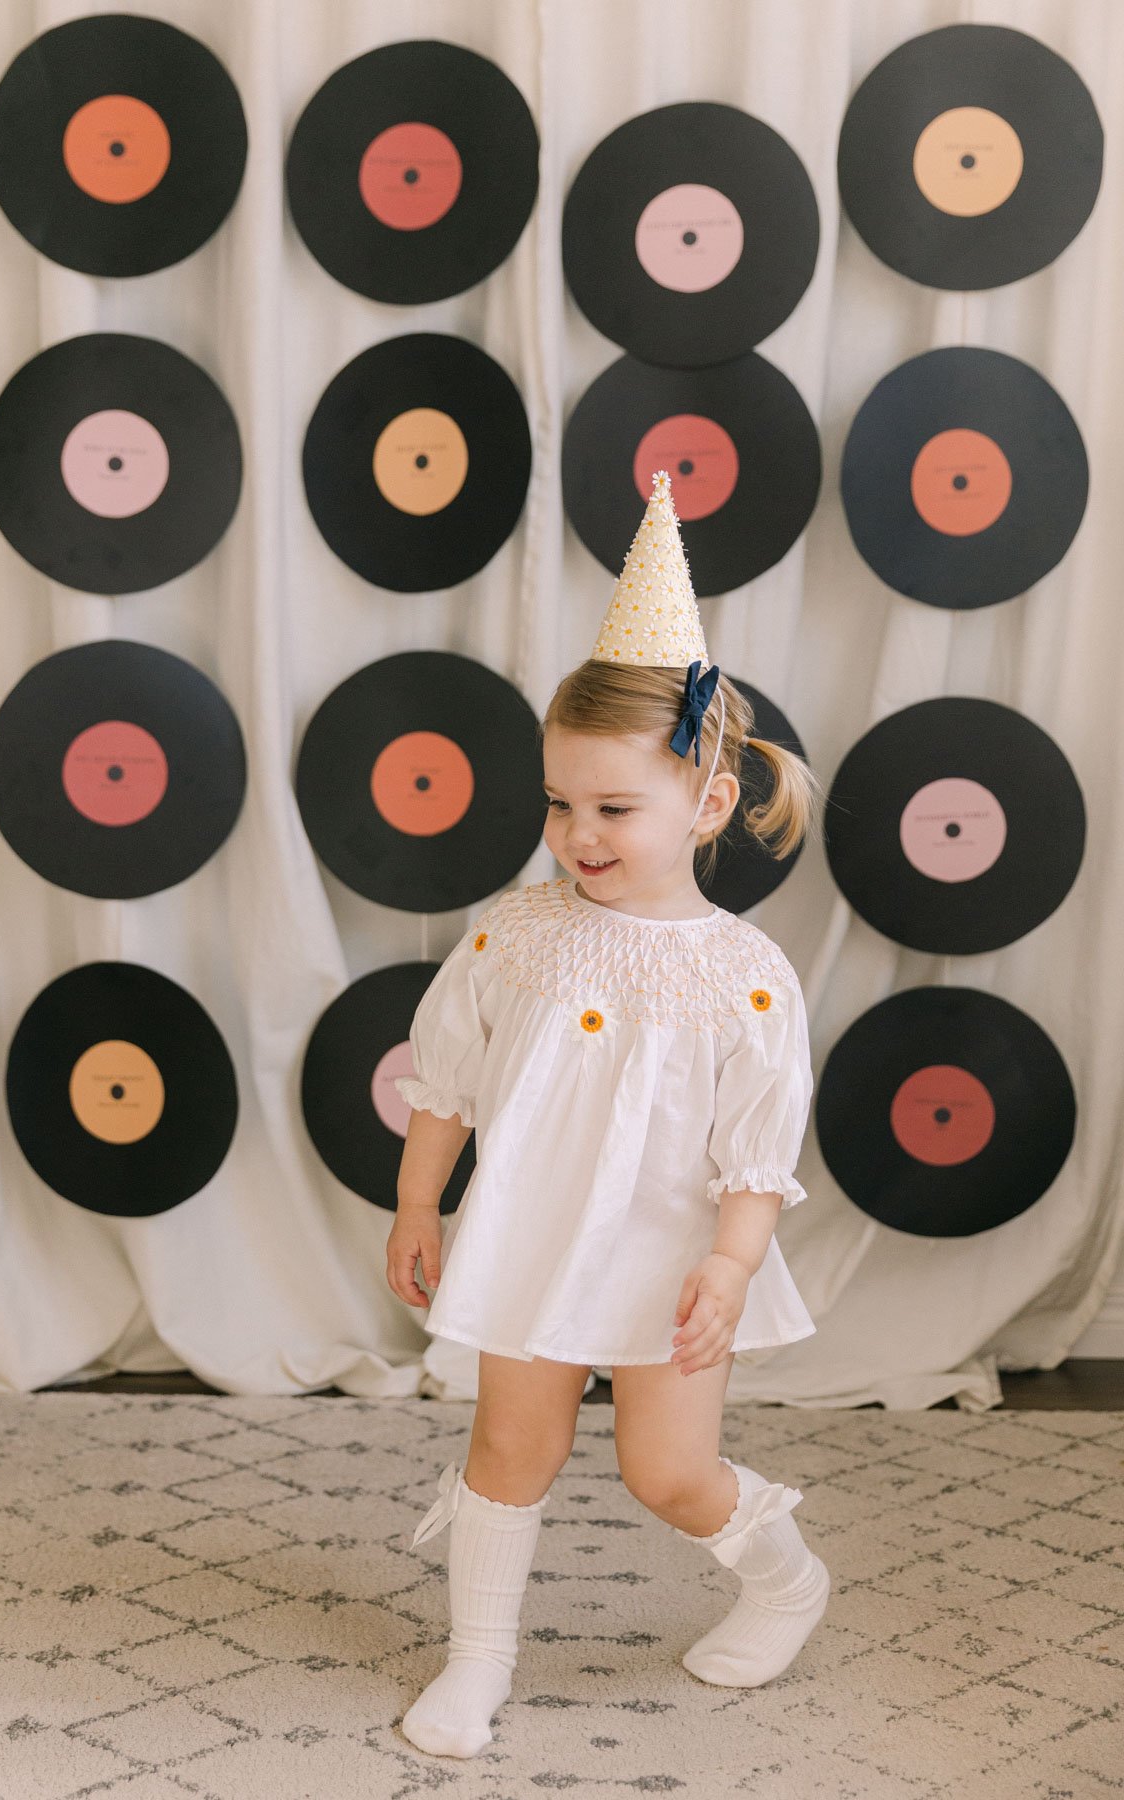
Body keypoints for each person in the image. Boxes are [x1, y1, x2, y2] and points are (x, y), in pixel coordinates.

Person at [385, 470, 829, 1760]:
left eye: (614, 809)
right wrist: (422, 1197)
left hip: (669, 1255)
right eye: (559, 804)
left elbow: (757, 1147)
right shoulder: (515, 936)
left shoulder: (744, 974)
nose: (579, 834)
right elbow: (448, 1081)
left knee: (665, 1473)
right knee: (508, 1444)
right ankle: (476, 1659)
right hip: (531, 1230)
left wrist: (733, 1266)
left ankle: (785, 1576)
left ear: (704, 801)